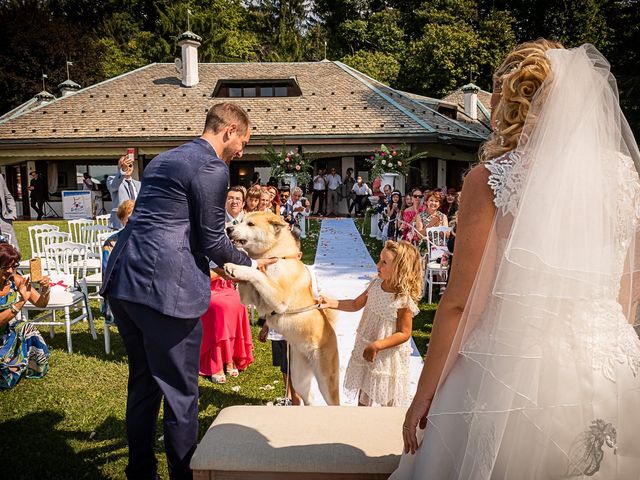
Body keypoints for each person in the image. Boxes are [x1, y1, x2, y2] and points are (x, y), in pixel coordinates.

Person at [392, 40, 640, 479]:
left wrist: (422, 397)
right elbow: (625, 291)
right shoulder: (625, 178)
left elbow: (460, 304)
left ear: (507, 99)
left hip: (510, 372)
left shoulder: (491, 179)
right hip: (612, 367)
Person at [100, 103, 276, 480]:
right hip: (165, 289)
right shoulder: (212, 167)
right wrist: (252, 267)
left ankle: (141, 472)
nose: (242, 151)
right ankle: (184, 474)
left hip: (124, 281)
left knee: (144, 383)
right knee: (181, 395)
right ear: (229, 130)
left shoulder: (164, 159)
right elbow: (213, 239)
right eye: (243, 141)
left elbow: (180, 227)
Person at [320, 240, 422, 406]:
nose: (377, 265)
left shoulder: (402, 299)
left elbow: (404, 333)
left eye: (384, 262)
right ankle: (362, 423)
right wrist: (331, 303)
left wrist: (378, 345)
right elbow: (355, 304)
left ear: (400, 269)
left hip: (387, 355)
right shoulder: (375, 285)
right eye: (379, 260)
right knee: (364, 388)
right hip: (367, 343)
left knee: (386, 397)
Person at [200, 187, 254, 384]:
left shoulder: (248, 221)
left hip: (228, 283)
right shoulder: (213, 225)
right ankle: (215, 362)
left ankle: (230, 358)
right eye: (230, 198)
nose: (234, 202)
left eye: (238, 199)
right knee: (221, 308)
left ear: (243, 202)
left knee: (237, 304)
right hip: (209, 282)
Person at [0, 242, 51, 389]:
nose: (10, 271)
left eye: (14, 266)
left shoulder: (15, 281)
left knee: (27, 327)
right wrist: (20, 302)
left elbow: (41, 303)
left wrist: (45, 290)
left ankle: (35, 367)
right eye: (5, 267)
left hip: (6, 334)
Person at [107, 153, 142, 229]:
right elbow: (114, 186)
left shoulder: (139, 184)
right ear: (119, 167)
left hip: (137, 221)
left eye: (130, 166)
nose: (128, 168)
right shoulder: (112, 180)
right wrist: (123, 170)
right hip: (120, 221)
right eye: (124, 165)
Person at [0, 174, 18, 250]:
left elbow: (8, 196)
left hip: (3, 218)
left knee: (13, 248)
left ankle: (15, 262)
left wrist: (12, 212)